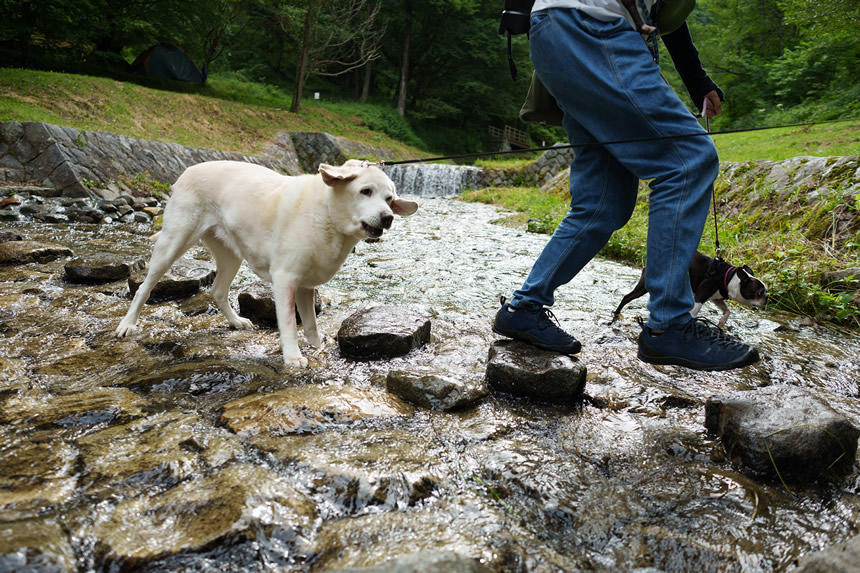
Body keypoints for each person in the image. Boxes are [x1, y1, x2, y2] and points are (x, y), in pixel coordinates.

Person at [493, 0, 760, 371]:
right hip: (593, 29)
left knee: (604, 204)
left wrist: (697, 80)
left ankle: (523, 308)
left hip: (558, 34)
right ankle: (669, 325)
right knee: (690, 160)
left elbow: (662, 15)